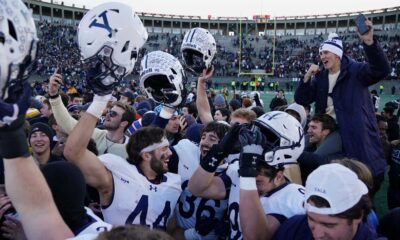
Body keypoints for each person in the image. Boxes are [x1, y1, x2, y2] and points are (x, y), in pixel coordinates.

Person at [0, 0, 73, 238]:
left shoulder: (57, 167)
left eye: (43, 134)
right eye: (35, 134)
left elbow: (41, 213)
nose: (39, 137)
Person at [294, 18, 390, 195]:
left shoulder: (356, 71)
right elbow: (302, 99)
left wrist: (369, 42)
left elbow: (382, 70)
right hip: (324, 126)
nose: (322, 56)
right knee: (296, 150)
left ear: (337, 55)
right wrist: (307, 77)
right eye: (321, 53)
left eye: (326, 53)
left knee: (317, 159)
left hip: (347, 128)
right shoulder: (321, 76)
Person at [47, 0, 146, 159]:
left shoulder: (132, 151)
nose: (107, 114)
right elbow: (66, 123)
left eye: (113, 114)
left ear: (124, 124)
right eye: (110, 111)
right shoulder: (98, 135)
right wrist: (53, 96)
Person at [188, 111, 305, 239]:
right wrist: (219, 151)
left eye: (258, 181)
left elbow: (255, 237)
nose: (260, 141)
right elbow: (196, 188)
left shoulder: (293, 198)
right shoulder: (238, 169)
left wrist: (248, 175)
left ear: (279, 176)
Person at [273, 163, 379, 240]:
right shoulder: (294, 227)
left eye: (329, 225)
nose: (317, 235)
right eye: (311, 219)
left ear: (358, 216)